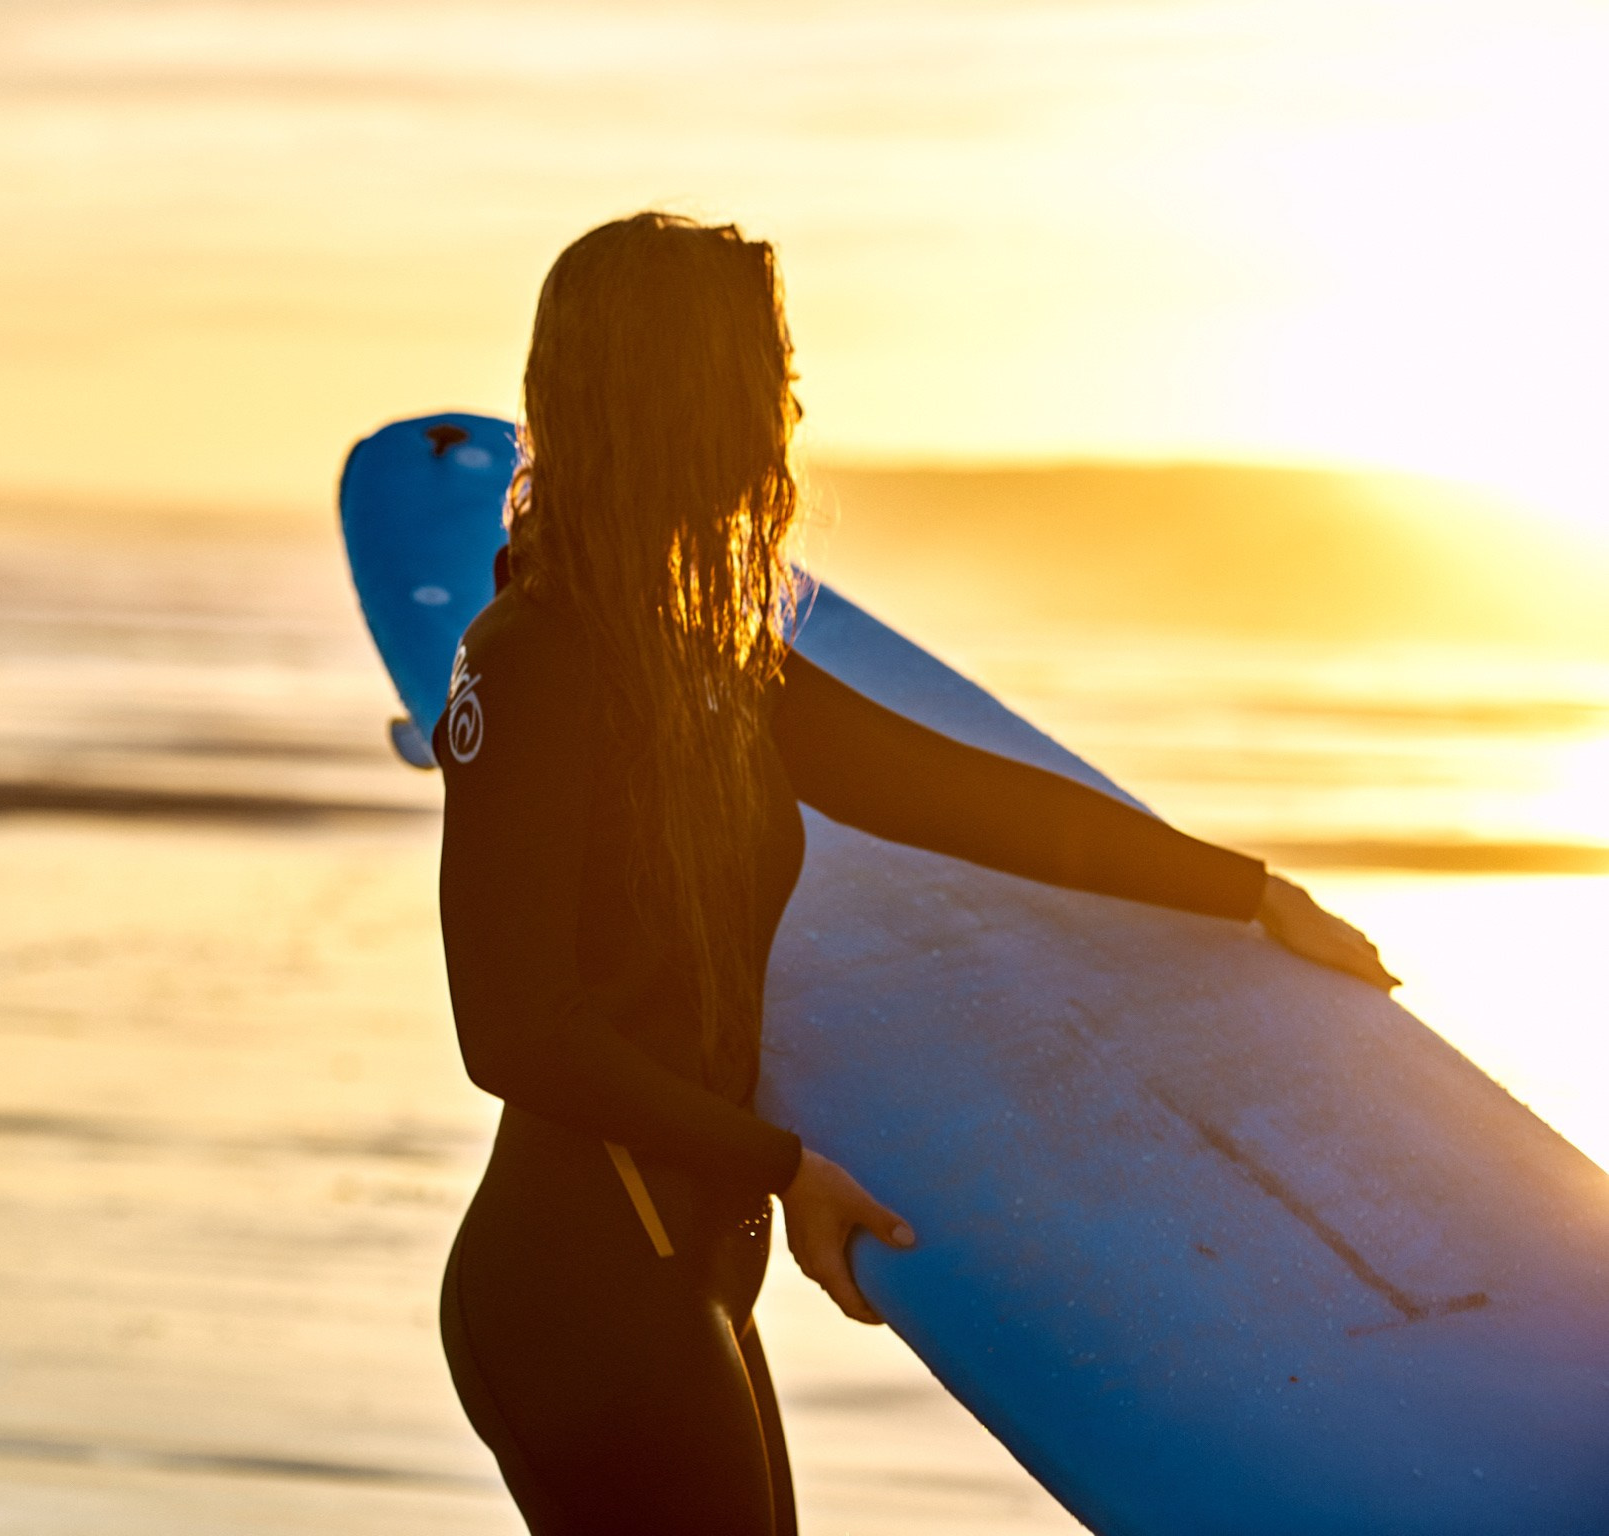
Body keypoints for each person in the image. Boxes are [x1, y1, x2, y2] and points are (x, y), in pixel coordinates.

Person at [431, 212, 1394, 1536]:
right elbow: (514, 1030)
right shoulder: (532, 661)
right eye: (766, 366)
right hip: (581, 1296)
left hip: (679, 1281)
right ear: (681, 390)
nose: (791, 400)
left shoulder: (694, 658)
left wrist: (1244, 891)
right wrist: (782, 1163)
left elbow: (946, 790)